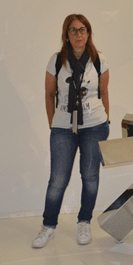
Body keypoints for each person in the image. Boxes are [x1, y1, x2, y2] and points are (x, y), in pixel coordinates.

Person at [32, 14, 110, 248]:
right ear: (66, 35)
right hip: (63, 128)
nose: (78, 34)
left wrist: (106, 121)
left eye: (82, 29)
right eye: (73, 30)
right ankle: (48, 226)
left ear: (89, 33)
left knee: (90, 177)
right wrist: (53, 123)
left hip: (94, 126)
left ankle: (84, 222)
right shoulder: (57, 61)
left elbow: (104, 92)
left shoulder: (99, 60)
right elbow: (49, 94)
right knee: (58, 180)